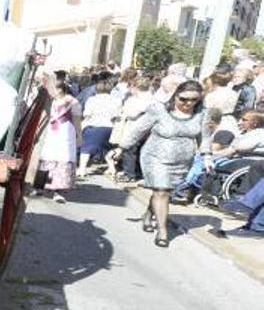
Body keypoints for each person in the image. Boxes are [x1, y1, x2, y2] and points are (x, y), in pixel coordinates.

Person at [111, 80, 211, 248]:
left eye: (194, 100)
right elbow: (138, 129)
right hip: (155, 157)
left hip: (182, 160)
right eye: (184, 99)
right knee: (162, 191)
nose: (188, 104)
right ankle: (163, 231)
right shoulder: (159, 110)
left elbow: (205, 137)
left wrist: (207, 156)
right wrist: (121, 148)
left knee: (162, 191)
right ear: (176, 95)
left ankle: (149, 215)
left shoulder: (202, 114)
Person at [171, 110, 264, 204]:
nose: (240, 121)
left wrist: (211, 154)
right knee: (199, 159)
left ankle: (183, 188)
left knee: (202, 160)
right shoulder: (244, 133)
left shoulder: (259, 134)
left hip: (247, 162)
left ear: (254, 123)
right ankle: (184, 186)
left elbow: (237, 148)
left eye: (244, 120)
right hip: (237, 159)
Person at [36, 79, 80, 203]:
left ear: (59, 89)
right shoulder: (49, 101)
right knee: (46, 157)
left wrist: (79, 136)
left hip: (65, 132)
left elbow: (77, 119)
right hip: (50, 131)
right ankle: (40, 186)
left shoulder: (72, 101)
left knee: (62, 159)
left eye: (52, 88)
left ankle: (58, 191)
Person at [107, 76, 153, 181]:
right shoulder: (152, 98)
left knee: (129, 151)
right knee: (142, 151)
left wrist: (124, 111)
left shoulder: (137, 99)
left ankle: (129, 174)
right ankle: (139, 172)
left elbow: (132, 113)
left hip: (134, 127)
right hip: (148, 129)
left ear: (136, 87)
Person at [78, 77, 119, 176]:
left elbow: (86, 114)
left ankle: (82, 169)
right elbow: (116, 116)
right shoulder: (116, 100)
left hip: (93, 126)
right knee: (107, 149)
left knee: (86, 149)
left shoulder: (92, 100)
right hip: (109, 127)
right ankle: (112, 169)